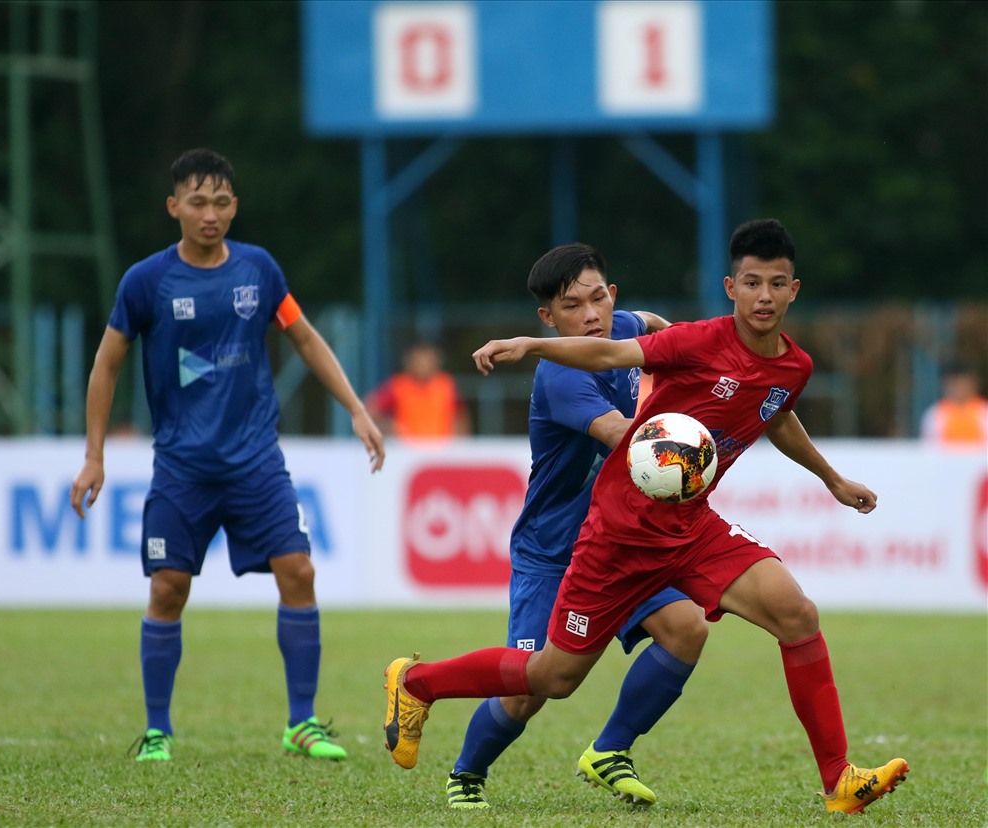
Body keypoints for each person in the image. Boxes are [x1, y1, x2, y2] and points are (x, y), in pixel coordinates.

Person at [383, 219, 909, 815]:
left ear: (794, 290)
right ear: (731, 288)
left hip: (688, 525)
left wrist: (832, 478)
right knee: (550, 680)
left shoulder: (790, 365)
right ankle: (419, 686)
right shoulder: (590, 367)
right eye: (752, 283)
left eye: (776, 284)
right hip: (608, 537)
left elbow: (773, 408)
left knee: (790, 613)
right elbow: (623, 421)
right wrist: (532, 347)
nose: (764, 296)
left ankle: (837, 779)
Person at [70, 148, 385, 762]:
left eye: (220, 202)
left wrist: (356, 407)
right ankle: (157, 730)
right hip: (182, 468)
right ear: (174, 207)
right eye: (197, 202)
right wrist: (94, 455)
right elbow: (106, 364)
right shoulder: (145, 282)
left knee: (299, 572)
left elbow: (304, 338)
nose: (209, 214)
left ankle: (302, 723)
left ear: (234, 206)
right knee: (168, 588)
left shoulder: (259, 270)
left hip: (255, 463)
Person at [443, 244, 708, 809]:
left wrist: (687, 350)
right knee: (532, 688)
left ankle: (610, 749)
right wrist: (692, 442)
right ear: (548, 318)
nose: (591, 316)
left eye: (598, 299)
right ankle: (466, 773)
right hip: (552, 552)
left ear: (612, 295)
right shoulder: (561, 376)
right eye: (572, 306)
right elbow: (623, 437)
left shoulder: (623, 328)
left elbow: (654, 324)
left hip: (614, 544)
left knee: (686, 628)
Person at [365, 338, 471, 439]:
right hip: (407, 448)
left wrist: (458, 442)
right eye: (419, 360)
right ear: (409, 361)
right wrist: (390, 427)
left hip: (442, 448)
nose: (423, 364)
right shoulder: (399, 385)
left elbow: (461, 416)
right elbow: (370, 409)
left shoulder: (447, 385)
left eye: (428, 360)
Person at [919, 358, 987, 444]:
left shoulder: (984, 411)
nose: (959, 388)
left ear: (973, 383)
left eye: (963, 382)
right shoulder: (935, 414)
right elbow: (928, 447)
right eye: (954, 383)